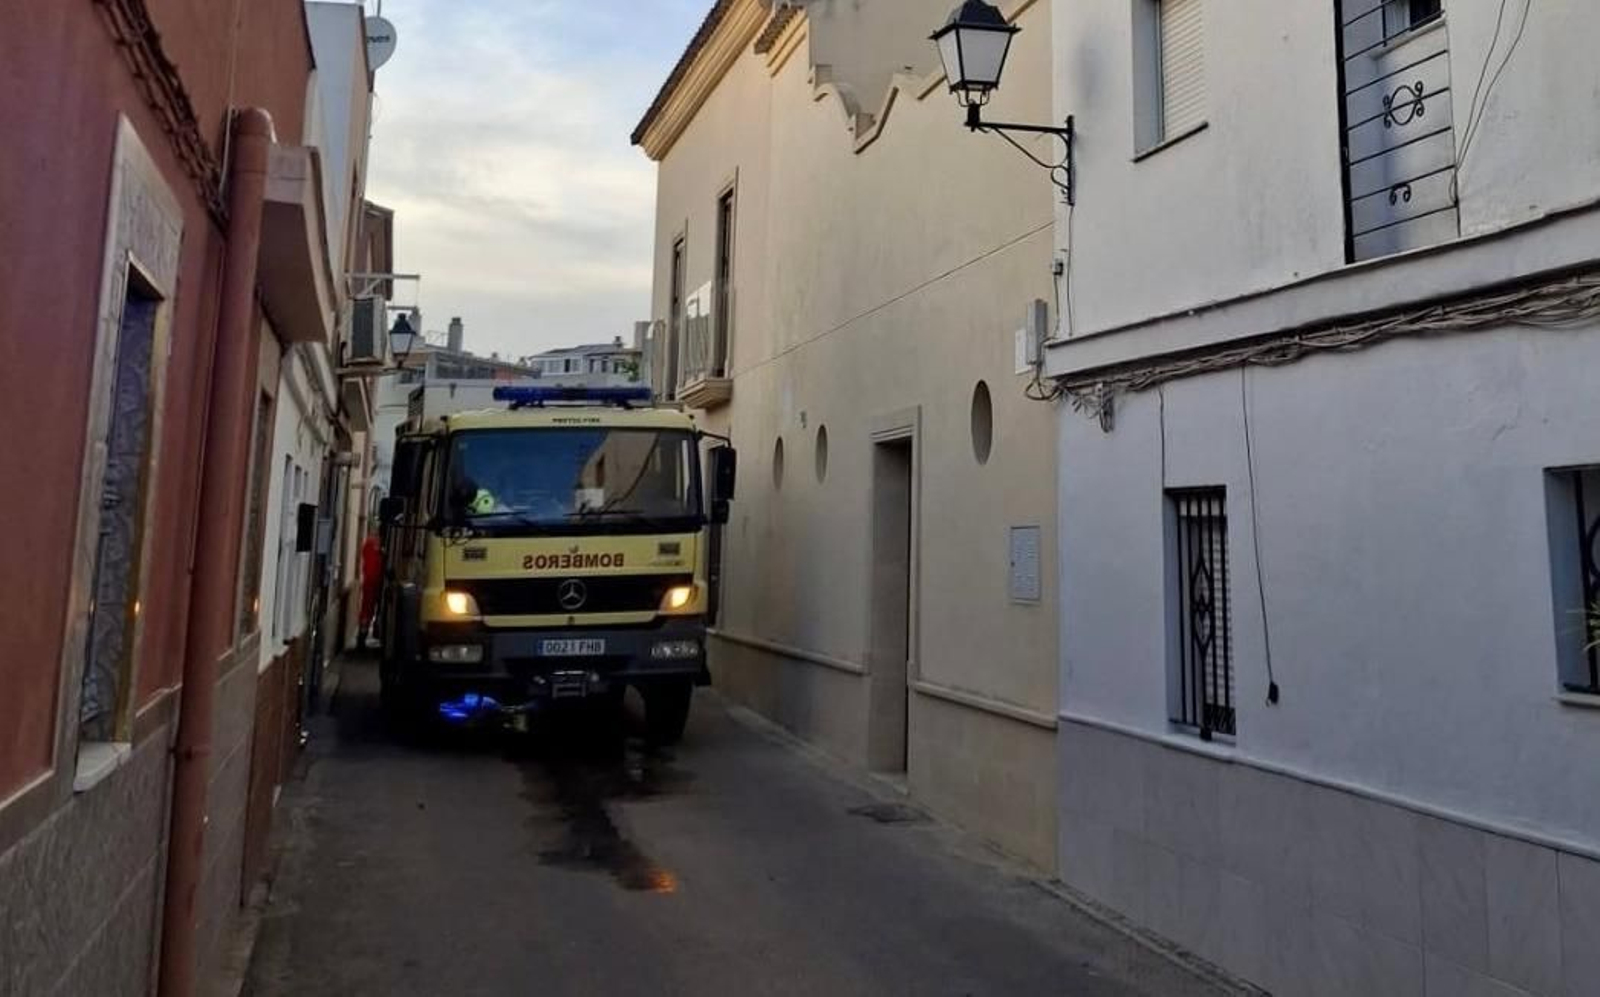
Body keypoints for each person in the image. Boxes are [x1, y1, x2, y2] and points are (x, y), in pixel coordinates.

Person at [357, 532, 382, 647]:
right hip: (373, 582)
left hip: (372, 582)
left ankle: (362, 634)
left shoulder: (369, 544)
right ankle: (362, 635)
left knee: (367, 610)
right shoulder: (373, 545)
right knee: (368, 610)